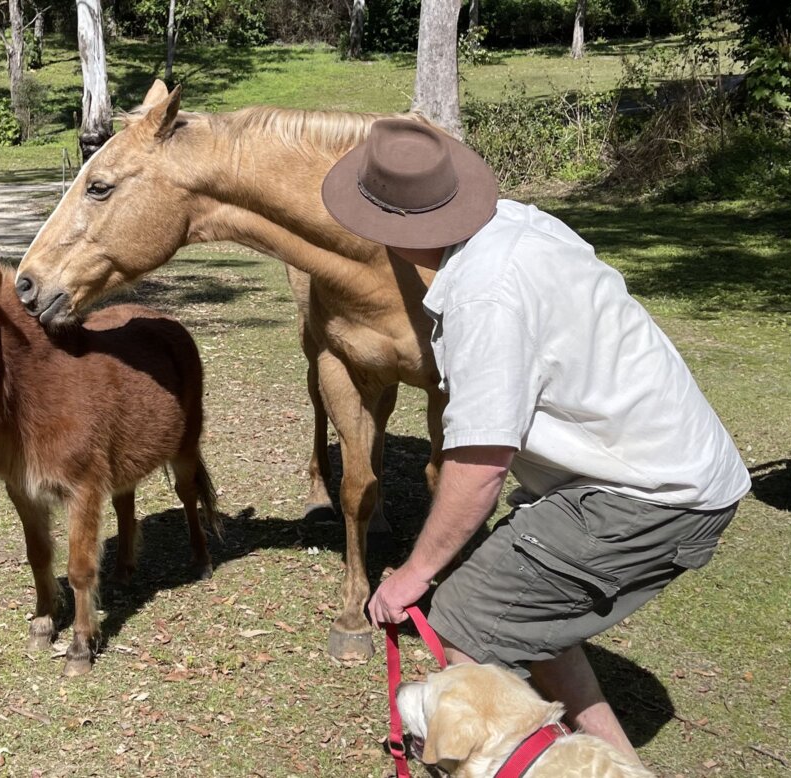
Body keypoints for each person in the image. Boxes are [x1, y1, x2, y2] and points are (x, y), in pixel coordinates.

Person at [321, 118, 750, 762]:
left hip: (650, 494)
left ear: (388, 233)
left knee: (467, 620)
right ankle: (619, 768)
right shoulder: (515, 224)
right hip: (664, 470)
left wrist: (413, 573)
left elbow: (482, 462)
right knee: (522, 603)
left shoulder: (485, 298)